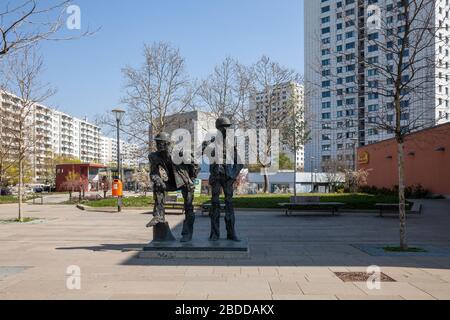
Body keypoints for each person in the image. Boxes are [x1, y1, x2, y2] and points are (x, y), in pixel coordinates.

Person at [146, 132, 199, 243]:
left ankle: (187, 234)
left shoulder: (180, 153)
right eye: (157, 142)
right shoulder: (154, 156)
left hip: (184, 182)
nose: (158, 145)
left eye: (161, 143)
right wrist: (158, 179)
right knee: (158, 186)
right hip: (170, 182)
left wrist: (192, 179)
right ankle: (159, 215)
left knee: (189, 207)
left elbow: (195, 164)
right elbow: (153, 173)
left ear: (167, 143)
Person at [206, 117, 244, 242]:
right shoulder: (210, 143)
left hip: (227, 178)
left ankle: (231, 233)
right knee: (215, 204)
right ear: (219, 128)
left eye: (228, 127)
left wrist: (232, 175)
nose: (227, 129)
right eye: (224, 127)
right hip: (216, 177)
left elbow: (239, 163)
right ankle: (214, 234)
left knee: (229, 205)